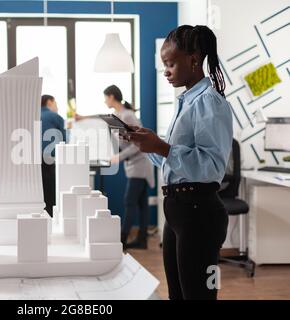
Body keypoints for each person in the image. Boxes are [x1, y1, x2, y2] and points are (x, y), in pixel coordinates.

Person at [125, 25, 233, 300]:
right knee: (178, 294)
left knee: (198, 295)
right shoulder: (186, 101)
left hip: (200, 212)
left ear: (194, 59)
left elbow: (211, 167)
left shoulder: (209, 102)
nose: (166, 71)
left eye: (171, 63)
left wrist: (162, 146)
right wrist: (147, 144)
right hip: (178, 210)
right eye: (164, 64)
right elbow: (175, 162)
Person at [76, 85, 154, 249]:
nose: (104, 101)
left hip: (139, 165)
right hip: (133, 164)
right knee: (141, 203)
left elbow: (140, 143)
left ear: (111, 97)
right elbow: (101, 117)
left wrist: (119, 156)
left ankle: (122, 240)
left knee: (129, 201)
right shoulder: (117, 116)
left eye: (105, 98)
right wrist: (83, 118)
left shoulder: (128, 115)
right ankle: (142, 241)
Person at [40, 94, 66, 217]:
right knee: (51, 197)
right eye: (56, 103)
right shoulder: (56, 117)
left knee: (40, 197)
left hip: (32, 163)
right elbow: (64, 143)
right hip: (49, 161)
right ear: (49, 102)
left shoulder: (32, 116)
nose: (57, 107)